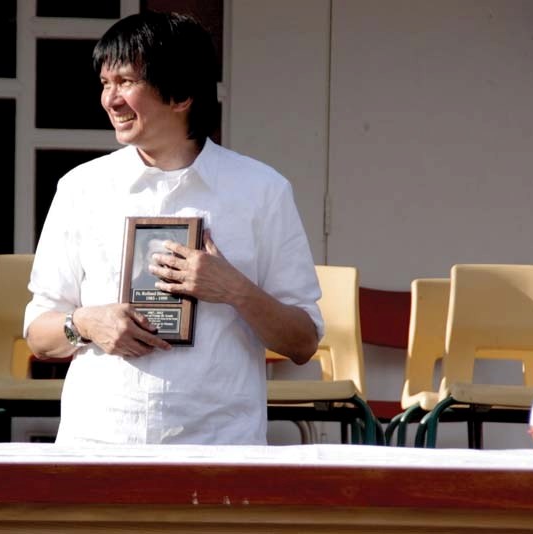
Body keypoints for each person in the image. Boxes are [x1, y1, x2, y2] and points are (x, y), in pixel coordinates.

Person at [24, 10, 323, 445]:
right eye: (105, 84)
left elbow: (302, 341)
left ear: (181, 95)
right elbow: (39, 332)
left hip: (220, 447)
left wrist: (234, 289)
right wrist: (87, 322)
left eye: (126, 82)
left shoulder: (262, 191)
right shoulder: (81, 188)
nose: (111, 99)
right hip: (99, 442)